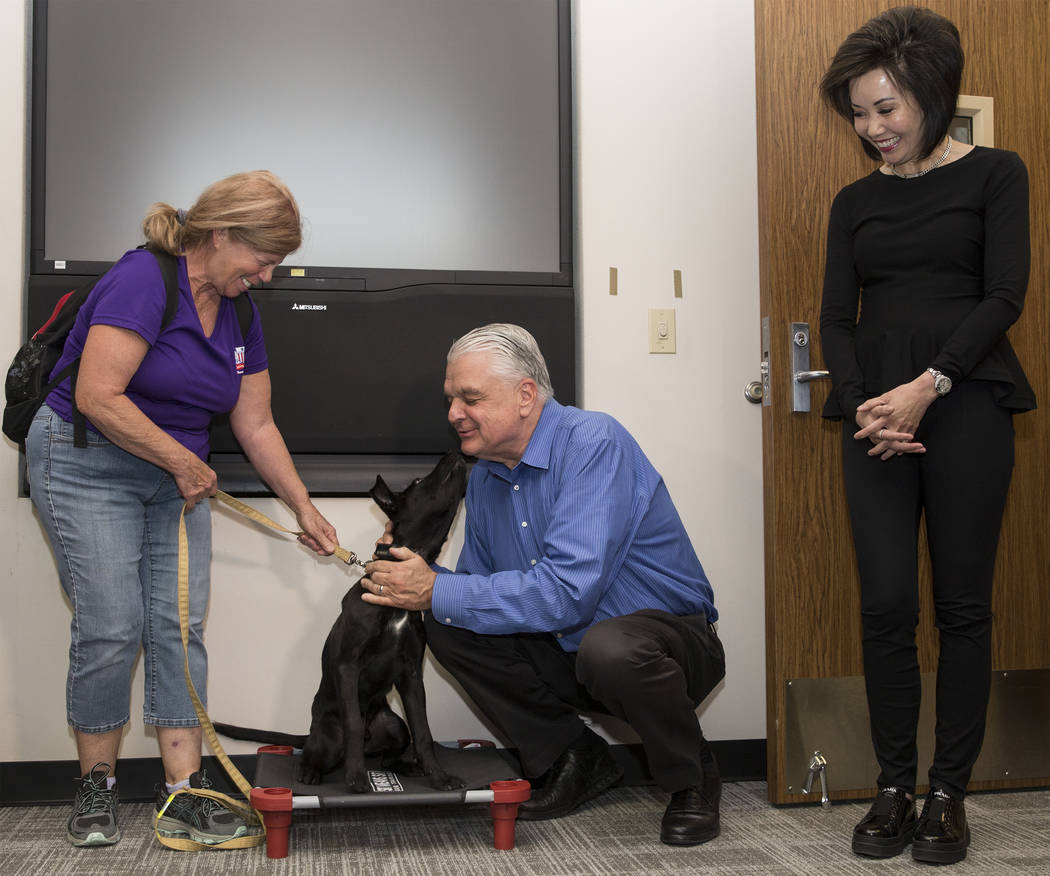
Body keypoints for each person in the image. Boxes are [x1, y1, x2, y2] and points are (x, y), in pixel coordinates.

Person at [25, 170, 340, 848]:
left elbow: (255, 424)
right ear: (221, 236)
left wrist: (303, 507)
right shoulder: (145, 281)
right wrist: (180, 460)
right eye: (264, 258)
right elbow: (98, 397)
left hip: (175, 475)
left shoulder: (240, 311)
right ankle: (95, 788)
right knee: (112, 623)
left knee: (177, 626)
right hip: (87, 463)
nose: (269, 275)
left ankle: (183, 794)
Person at [361, 323, 725, 847]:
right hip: (572, 650)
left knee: (609, 647)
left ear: (525, 395)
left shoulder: (594, 442)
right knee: (448, 619)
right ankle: (573, 756)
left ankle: (693, 777)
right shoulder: (486, 475)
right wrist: (412, 574)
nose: (453, 414)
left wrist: (435, 588)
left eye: (470, 398)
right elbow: (481, 590)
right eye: (451, 400)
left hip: (665, 649)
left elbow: (568, 594)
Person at [818, 7, 1034, 865]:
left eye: (885, 109)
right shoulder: (853, 201)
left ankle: (949, 793)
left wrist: (927, 387)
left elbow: (1004, 295)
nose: (873, 129)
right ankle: (893, 788)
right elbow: (838, 316)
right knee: (885, 607)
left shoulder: (996, 175)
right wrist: (871, 403)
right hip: (875, 420)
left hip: (966, 404)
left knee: (962, 607)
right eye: (860, 114)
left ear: (932, 96)